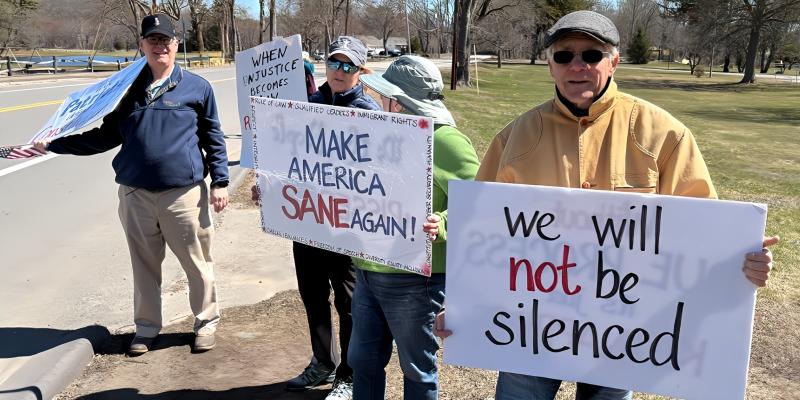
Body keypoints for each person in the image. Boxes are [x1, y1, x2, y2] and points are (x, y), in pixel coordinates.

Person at [432, 10, 779, 400]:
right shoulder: (514, 138)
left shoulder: (664, 135)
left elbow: (701, 235)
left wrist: (741, 260)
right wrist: (464, 304)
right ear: (550, 64)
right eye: (564, 55)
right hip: (529, 327)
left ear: (613, 62)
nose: (577, 66)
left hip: (621, 333)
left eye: (591, 55)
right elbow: (482, 235)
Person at [33, 13, 229, 356]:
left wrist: (221, 182)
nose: (159, 46)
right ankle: (147, 328)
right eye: (152, 40)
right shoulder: (125, 90)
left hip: (182, 194)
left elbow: (213, 136)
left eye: (165, 40)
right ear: (141, 45)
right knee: (144, 267)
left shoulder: (197, 87)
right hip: (136, 194)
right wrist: (54, 143)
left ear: (176, 44)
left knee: (197, 263)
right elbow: (105, 136)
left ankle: (206, 322)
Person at [252, 35, 380, 400]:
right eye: (335, 62)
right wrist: (268, 184)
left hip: (346, 225)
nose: (340, 71)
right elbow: (285, 158)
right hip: (306, 220)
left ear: (360, 70)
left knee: (348, 300)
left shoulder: (369, 111)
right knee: (312, 294)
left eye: (349, 65)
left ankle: (349, 374)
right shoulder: (304, 104)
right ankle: (322, 361)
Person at [348, 56, 480, 400]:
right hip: (366, 268)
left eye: (385, 96)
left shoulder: (448, 142)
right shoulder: (375, 134)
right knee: (362, 361)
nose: (379, 102)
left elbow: (483, 204)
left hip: (414, 282)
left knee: (417, 371)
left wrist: (445, 223)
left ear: (401, 102)